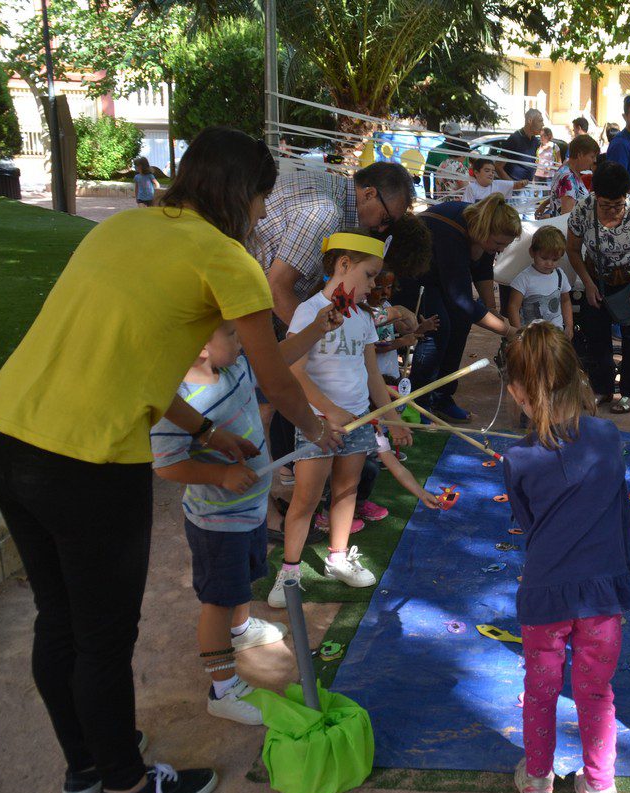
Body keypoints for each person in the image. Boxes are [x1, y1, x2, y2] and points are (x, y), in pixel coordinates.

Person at [0, 126, 343, 793]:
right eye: (264, 199)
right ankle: (123, 783)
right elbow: (272, 373)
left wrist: (207, 429)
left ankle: (88, 760)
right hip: (87, 461)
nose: (265, 214)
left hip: (4, 433)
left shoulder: (124, 227)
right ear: (243, 194)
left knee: (59, 619)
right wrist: (316, 426)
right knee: (101, 635)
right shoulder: (226, 256)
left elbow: (132, 356)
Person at [149, 307, 341, 726]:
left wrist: (316, 328)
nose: (241, 344)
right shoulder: (175, 405)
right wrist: (220, 473)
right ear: (201, 347)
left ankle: (239, 631)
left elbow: (279, 356)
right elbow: (166, 466)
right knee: (217, 601)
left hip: (251, 511)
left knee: (240, 585)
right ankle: (223, 689)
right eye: (233, 336)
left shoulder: (235, 370)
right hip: (217, 523)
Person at [503, 323, 630, 793]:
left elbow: (527, 521)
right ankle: (600, 789)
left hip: (544, 596)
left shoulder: (516, 458)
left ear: (518, 391)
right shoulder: (607, 436)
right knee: (596, 692)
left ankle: (538, 780)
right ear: (575, 377)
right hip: (602, 595)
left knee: (540, 689)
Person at [271, 232, 413, 604]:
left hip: (358, 418)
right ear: (343, 265)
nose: (372, 286)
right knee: (306, 498)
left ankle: (337, 557)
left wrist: (392, 416)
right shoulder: (309, 312)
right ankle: (287, 573)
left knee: (347, 490)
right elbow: (297, 374)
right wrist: (329, 411)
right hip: (317, 424)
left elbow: (371, 374)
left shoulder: (363, 318)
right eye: (368, 275)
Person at [250, 161, 414, 325]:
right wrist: (319, 344)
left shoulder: (332, 192)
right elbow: (276, 288)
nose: (381, 229)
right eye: (385, 219)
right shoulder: (325, 212)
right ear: (369, 194)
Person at [406, 195, 522, 424]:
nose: (500, 250)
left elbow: (482, 270)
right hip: (417, 275)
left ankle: (442, 398)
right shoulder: (452, 232)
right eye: (498, 244)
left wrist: (491, 307)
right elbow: (460, 299)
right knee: (438, 328)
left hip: (440, 274)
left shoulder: (482, 232)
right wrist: (507, 330)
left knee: (460, 324)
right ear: (485, 232)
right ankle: (418, 401)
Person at [566, 161, 630, 413]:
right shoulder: (582, 209)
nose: (612, 211)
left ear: (626, 196)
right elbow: (573, 250)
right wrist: (587, 283)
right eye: (605, 205)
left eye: (617, 205)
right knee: (596, 334)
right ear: (595, 195)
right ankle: (602, 388)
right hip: (596, 278)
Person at [506, 225, 573, 335]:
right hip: (532, 336)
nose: (549, 263)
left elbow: (565, 300)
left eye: (555, 259)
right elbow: (513, 307)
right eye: (544, 258)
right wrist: (518, 333)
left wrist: (569, 326)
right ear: (532, 252)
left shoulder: (560, 274)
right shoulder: (524, 278)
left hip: (556, 334)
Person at [545, 133, 598, 217]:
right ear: (580, 155)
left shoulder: (566, 169)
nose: (594, 160)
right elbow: (567, 217)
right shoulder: (568, 178)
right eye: (592, 156)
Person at [495, 109, 543, 182]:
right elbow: (498, 166)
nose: (543, 124)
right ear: (530, 121)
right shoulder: (514, 139)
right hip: (514, 191)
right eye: (540, 121)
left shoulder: (535, 141)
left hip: (528, 188)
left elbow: (532, 166)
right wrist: (513, 185)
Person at [462, 159, 530, 204]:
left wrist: (522, 183)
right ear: (476, 173)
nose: (491, 174)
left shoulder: (498, 184)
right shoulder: (471, 188)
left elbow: (516, 185)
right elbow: (466, 208)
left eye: (493, 172)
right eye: (487, 171)